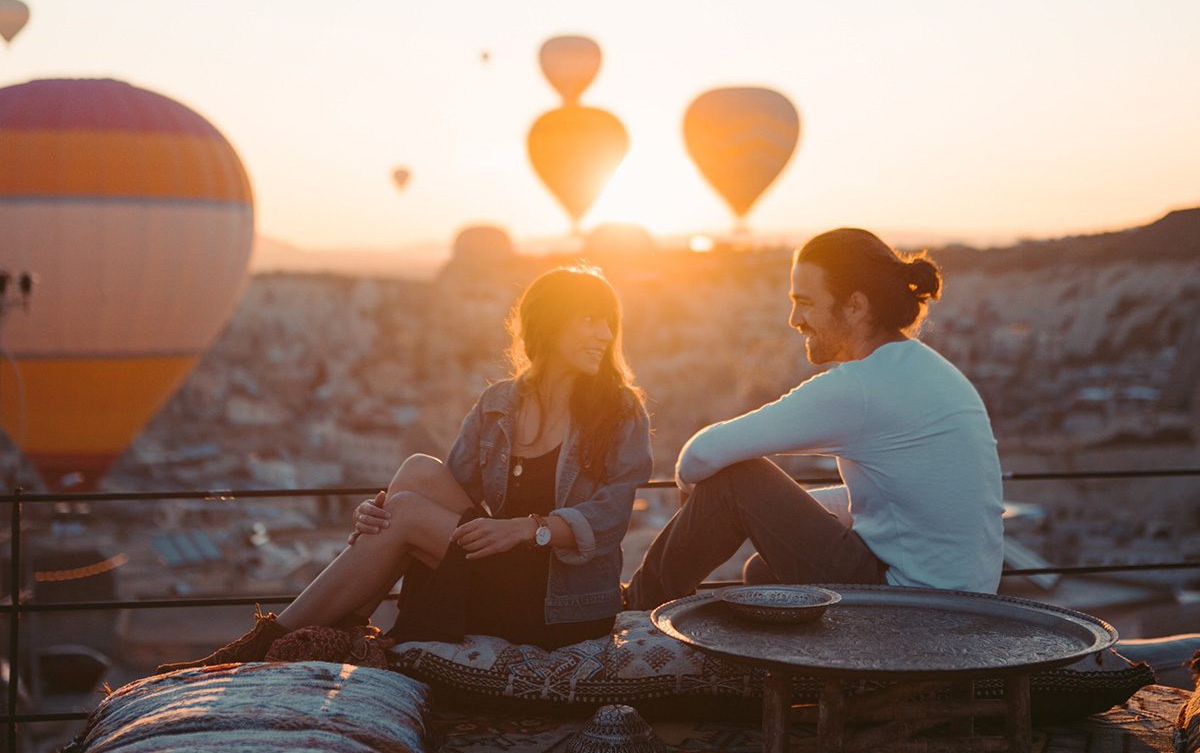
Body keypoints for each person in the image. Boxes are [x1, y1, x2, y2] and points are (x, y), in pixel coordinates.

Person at [158, 265, 651, 672]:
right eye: (590, 319)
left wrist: (527, 529)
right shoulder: (500, 403)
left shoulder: (619, 411)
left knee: (410, 514)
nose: (605, 335)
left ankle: (264, 647)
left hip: (561, 601)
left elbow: (610, 519)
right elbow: (447, 487)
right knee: (414, 473)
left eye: (609, 322)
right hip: (497, 570)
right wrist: (379, 515)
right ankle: (323, 633)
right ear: (550, 323)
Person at [624, 228, 1004, 611]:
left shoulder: (860, 387)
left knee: (736, 479)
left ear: (856, 306)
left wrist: (700, 495)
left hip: (907, 606)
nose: (794, 320)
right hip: (962, 605)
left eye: (804, 303)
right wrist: (775, 510)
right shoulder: (931, 372)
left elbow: (701, 454)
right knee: (763, 575)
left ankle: (635, 605)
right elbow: (900, 502)